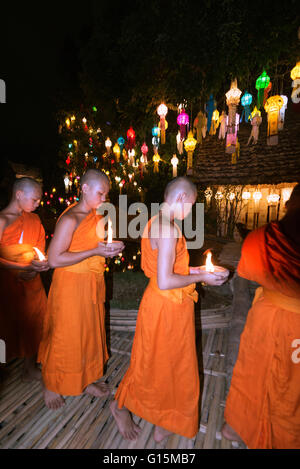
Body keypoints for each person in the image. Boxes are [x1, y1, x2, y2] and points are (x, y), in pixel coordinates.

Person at [110, 177, 229, 441]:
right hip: (163, 306)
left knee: (172, 365)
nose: (190, 212)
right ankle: (119, 407)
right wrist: (201, 278)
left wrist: (200, 270)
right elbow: (165, 280)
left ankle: (164, 416)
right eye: (191, 206)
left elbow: (171, 270)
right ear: (181, 199)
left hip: (170, 305)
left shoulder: (158, 222)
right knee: (150, 364)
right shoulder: (166, 228)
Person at [38, 170, 124, 409]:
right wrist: (96, 251)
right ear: (84, 188)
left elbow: (93, 244)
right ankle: (50, 383)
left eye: (106, 194)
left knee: (87, 336)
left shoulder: (95, 215)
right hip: (70, 286)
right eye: (101, 193)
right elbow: (54, 259)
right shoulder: (71, 218)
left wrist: (109, 248)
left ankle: (84, 381)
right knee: (64, 337)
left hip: (91, 284)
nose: (105, 198)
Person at [222, 184, 300, 449]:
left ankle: (237, 426)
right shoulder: (263, 236)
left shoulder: (262, 237)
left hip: (267, 317)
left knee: (251, 371)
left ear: (289, 203)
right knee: (291, 388)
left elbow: (248, 272)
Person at [0, 177, 48, 381]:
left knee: (36, 321)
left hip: (32, 284)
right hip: (6, 283)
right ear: (19, 194)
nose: (38, 204)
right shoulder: (2, 220)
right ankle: (1, 368)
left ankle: (29, 368)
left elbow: (39, 250)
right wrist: (19, 268)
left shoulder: (35, 220)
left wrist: (37, 268)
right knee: (4, 325)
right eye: (35, 200)